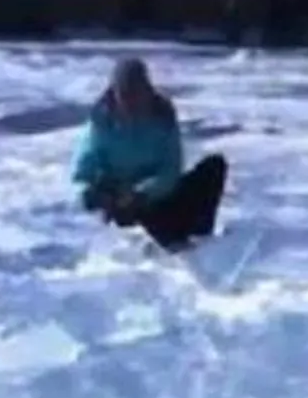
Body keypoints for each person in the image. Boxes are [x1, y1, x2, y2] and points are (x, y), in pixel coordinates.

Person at [72, 57, 228, 252]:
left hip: (156, 198)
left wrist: (142, 193)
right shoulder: (101, 124)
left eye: (136, 94)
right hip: (124, 208)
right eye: (125, 96)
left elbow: (171, 169)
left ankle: (201, 242)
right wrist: (90, 195)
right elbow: (81, 173)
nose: (131, 103)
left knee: (215, 166)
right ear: (115, 94)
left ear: (147, 91)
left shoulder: (163, 118)